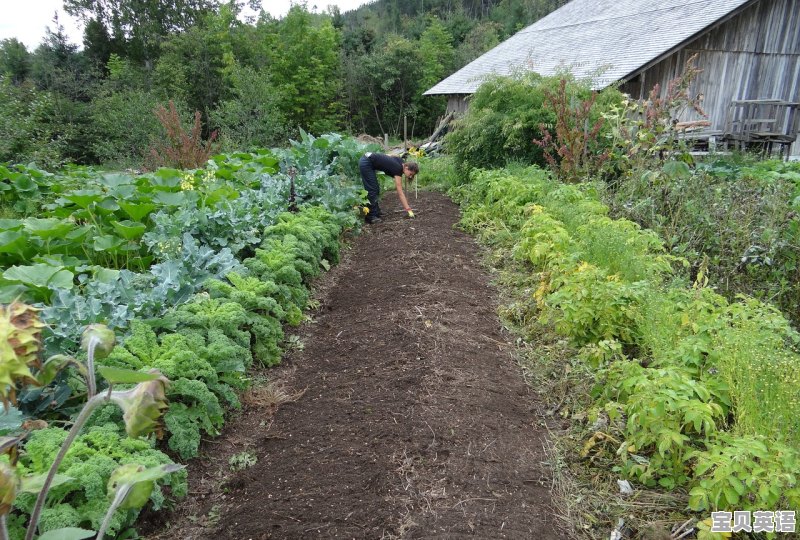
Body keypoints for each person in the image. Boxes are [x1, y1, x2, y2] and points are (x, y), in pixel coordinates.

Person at [358, 152, 418, 224]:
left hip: (368, 159)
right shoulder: (398, 169)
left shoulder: (401, 162)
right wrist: (408, 209)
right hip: (366, 162)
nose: (410, 177)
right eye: (411, 174)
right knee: (372, 190)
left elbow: (390, 155)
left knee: (376, 188)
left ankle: (376, 212)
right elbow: (400, 192)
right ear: (406, 168)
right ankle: (371, 217)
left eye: (412, 175)